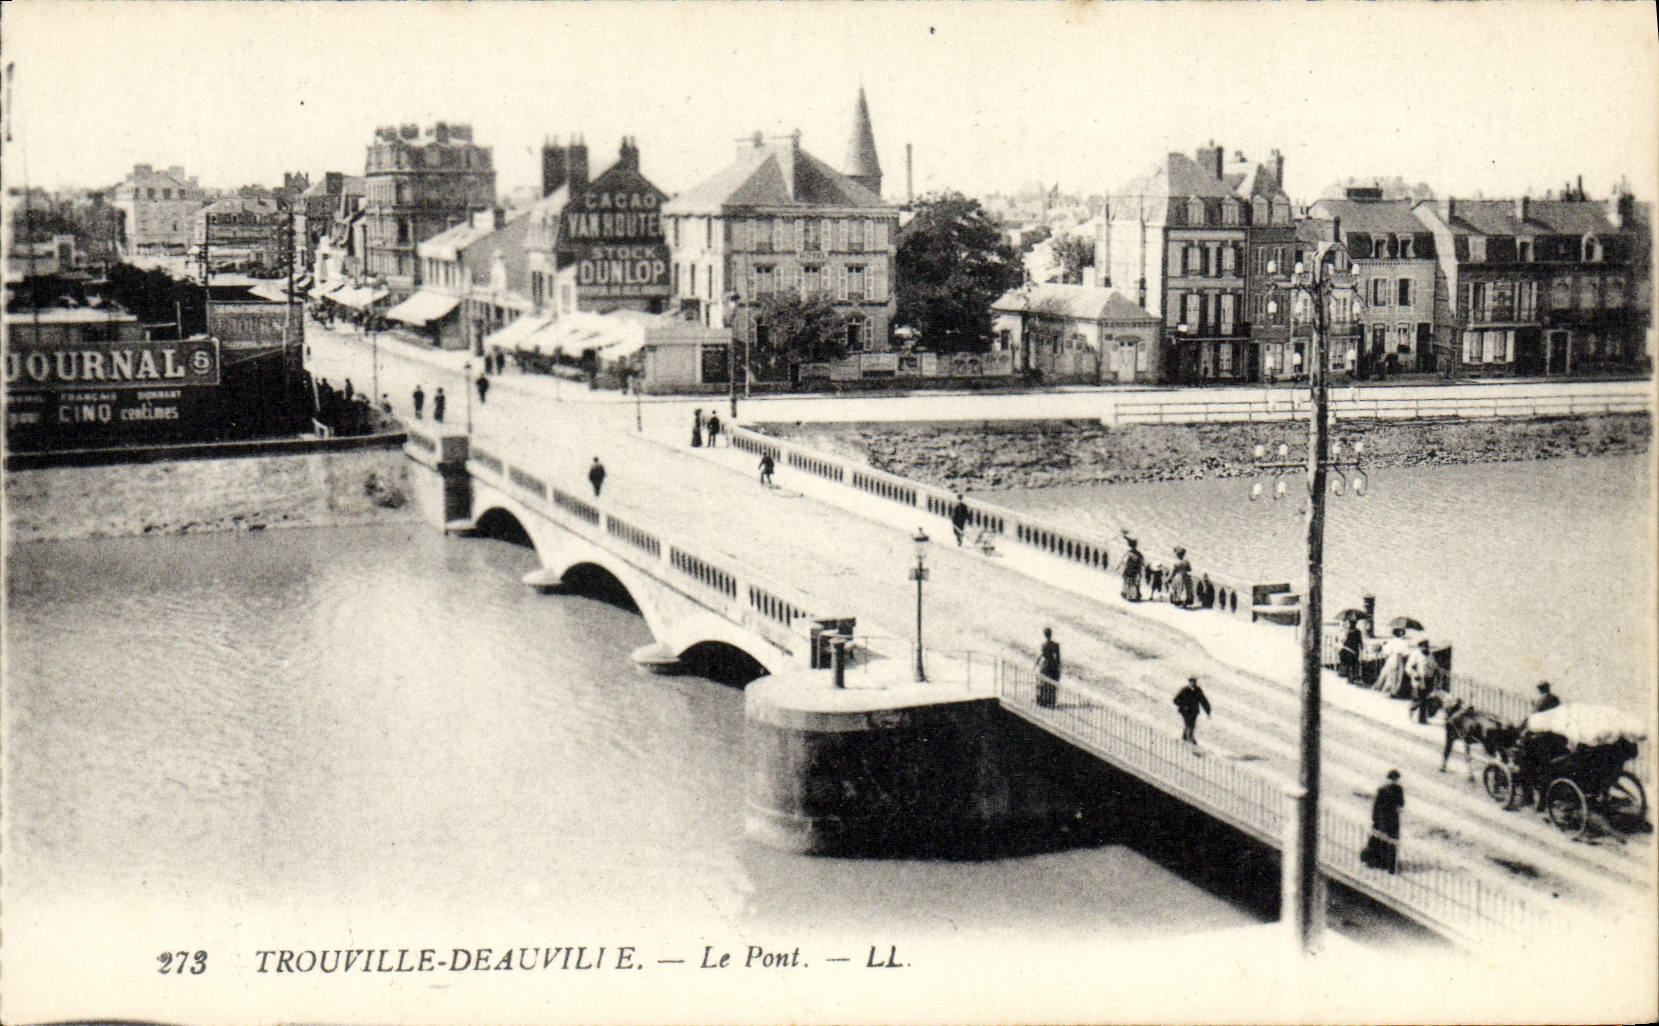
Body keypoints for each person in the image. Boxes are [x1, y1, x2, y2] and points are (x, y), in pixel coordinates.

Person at [1361, 770, 1405, 874]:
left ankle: (1390, 865)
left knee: (1391, 842)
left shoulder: (1399, 790)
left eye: (1395, 780)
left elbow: (1401, 803)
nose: (1393, 781)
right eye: (1392, 779)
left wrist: (1398, 807)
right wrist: (1375, 819)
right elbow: (1376, 806)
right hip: (1382, 819)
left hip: (1393, 820)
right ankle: (1375, 861)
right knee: (1378, 840)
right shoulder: (1382, 790)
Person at [1406, 640, 1441, 723]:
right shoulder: (1415, 654)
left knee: (1426, 699)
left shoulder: (1430, 654)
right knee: (1419, 699)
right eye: (1423, 647)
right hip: (1419, 680)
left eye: (1426, 646)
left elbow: (1434, 666)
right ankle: (1412, 711)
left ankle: (1422, 718)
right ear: (1420, 647)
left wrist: (1437, 674)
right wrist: (1414, 674)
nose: (1425, 648)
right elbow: (1408, 667)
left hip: (1429, 679)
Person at [1375, 627, 1413, 698]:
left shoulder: (1390, 642)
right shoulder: (1403, 642)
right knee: (1398, 675)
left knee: (1389, 673)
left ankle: (1384, 689)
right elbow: (1406, 653)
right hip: (1398, 657)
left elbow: (1386, 652)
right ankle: (1393, 691)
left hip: (1391, 657)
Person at [1173, 677, 1211, 744]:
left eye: (1194, 682)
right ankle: (1187, 738)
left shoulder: (1198, 691)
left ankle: (1187, 737)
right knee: (1188, 724)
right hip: (1185, 711)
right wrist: (1183, 705)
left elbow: (1203, 701)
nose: (1193, 683)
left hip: (1194, 711)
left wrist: (1208, 711)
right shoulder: (1184, 690)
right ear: (1189, 682)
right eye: (1191, 682)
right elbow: (1175, 700)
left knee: (1192, 725)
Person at [1035, 627, 1060, 709]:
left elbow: (1041, 655)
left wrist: (1036, 664)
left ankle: (1042, 701)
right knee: (1052, 683)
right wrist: (1058, 668)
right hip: (1052, 664)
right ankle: (1051, 701)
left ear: (1045, 635)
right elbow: (1058, 658)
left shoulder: (1044, 644)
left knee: (1043, 683)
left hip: (1045, 665)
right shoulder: (1055, 645)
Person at [1338, 613, 1365, 687]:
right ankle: (1351, 678)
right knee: (1353, 664)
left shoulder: (1346, 631)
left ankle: (1346, 675)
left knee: (1347, 663)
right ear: (1356, 624)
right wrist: (1362, 648)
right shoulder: (1358, 632)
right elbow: (1360, 641)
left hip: (1345, 649)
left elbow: (1342, 640)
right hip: (1354, 650)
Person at [1120, 534, 1145, 601]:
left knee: (1127, 582)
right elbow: (1142, 563)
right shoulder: (1139, 554)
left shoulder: (1129, 553)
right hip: (1136, 571)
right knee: (1134, 583)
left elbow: (1124, 562)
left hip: (1129, 570)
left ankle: (1128, 594)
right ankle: (1134, 596)